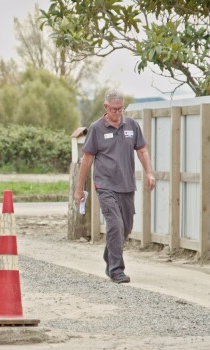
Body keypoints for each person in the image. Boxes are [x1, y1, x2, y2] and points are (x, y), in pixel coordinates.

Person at [74, 90, 156, 284]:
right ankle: (117, 270)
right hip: (105, 185)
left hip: (127, 185)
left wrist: (149, 173)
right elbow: (86, 160)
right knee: (115, 225)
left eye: (120, 109)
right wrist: (79, 189)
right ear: (106, 107)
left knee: (126, 228)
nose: (118, 113)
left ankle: (109, 256)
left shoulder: (132, 125)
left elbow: (142, 150)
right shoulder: (97, 129)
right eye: (113, 109)